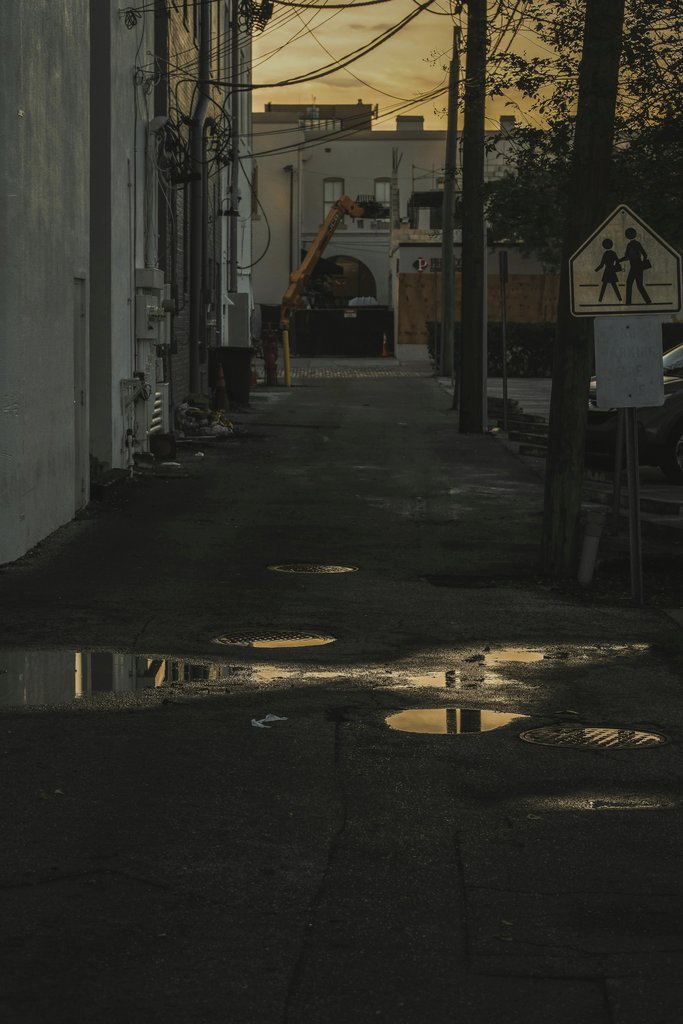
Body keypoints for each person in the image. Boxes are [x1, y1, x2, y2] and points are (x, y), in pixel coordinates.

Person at [620, 227, 652, 304]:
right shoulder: (637, 244)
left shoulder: (630, 245)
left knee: (630, 283)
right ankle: (648, 301)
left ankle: (628, 302)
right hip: (638, 266)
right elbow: (645, 255)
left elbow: (626, 257)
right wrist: (643, 263)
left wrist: (618, 260)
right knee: (639, 285)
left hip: (635, 266)